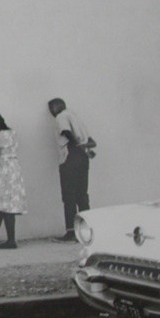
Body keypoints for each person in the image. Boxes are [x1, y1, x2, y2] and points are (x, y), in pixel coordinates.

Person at [48, 98, 96, 242]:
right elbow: (92, 142)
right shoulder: (76, 118)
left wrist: (77, 146)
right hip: (83, 158)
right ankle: (86, 231)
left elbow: (66, 133)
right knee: (82, 195)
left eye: (51, 108)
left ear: (57, 107)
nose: (51, 112)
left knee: (69, 196)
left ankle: (71, 232)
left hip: (70, 156)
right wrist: (85, 149)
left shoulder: (61, 117)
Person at [0, 113, 27, 249]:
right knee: (5, 204)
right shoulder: (13, 133)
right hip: (14, 169)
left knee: (2, 204)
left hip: (2, 171)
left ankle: (11, 240)